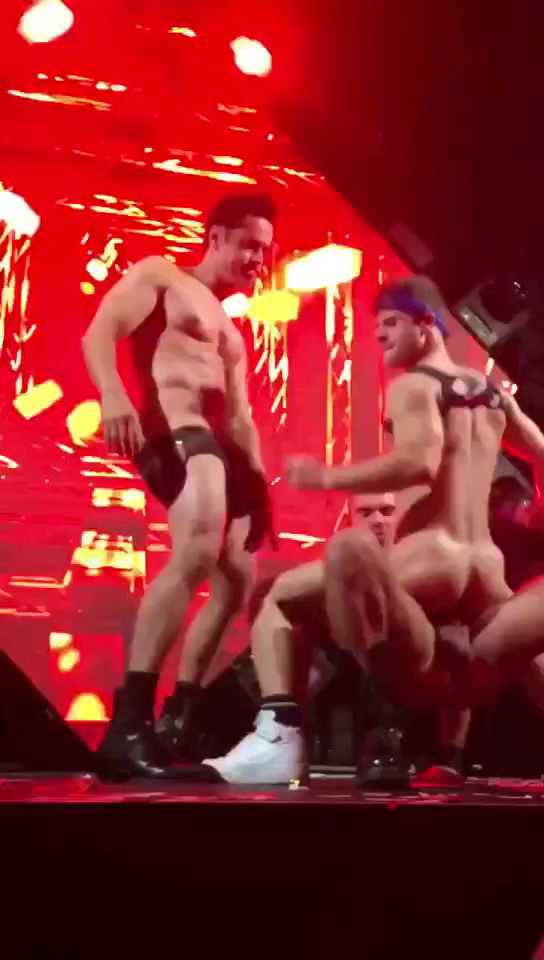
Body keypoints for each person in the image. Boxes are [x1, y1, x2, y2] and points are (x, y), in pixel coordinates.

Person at [82, 193, 276, 779]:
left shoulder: (231, 329)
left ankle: (179, 717)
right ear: (215, 236)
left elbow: (240, 416)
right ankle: (128, 725)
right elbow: (99, 333)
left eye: (265, 251)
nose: (258, 260)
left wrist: (258, 483)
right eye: (249, 245)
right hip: (177, 432)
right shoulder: (162, 276)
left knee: (237, 576)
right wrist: (113, 396)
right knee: (194, 555)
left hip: (220, 448)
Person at [284, 275, 544, 710]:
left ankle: (285, 725)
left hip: (434, 555)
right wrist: (536, 508)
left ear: (425, 325)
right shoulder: (493, 396)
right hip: (485, 564)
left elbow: (417, 463)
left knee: (293, 599)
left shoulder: (414, 386)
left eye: (390, 322)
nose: (379, 334)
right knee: (516, 660)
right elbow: (540, 450)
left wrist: (324, 478)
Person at [203, 491, 469, 784]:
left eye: (386, 511)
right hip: (345, 676)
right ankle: (281, 736)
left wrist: (450, 756)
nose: (378, 520)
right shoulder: (336, 571)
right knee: (289, 608)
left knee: (452, 638)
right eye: (366, 512)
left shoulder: (426, 561)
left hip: (415, 680)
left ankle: (444, 756)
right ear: (350, 520)